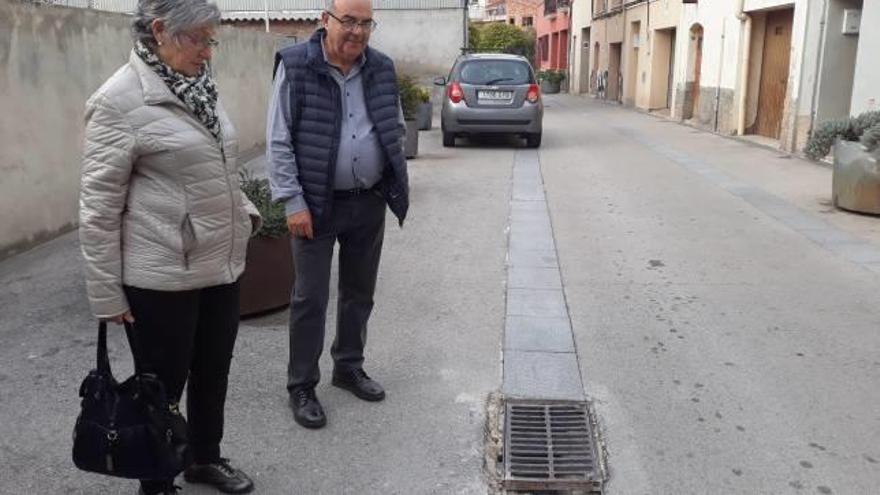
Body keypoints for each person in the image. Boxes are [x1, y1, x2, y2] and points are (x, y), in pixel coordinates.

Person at [78, 0, 259, 493]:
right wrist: (106, 295)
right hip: (160, 276)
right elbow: (97, 208)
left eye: (210, 39)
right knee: (161, 389)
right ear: (160, 31)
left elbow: (218, 167)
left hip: (220, 265)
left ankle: (205, 458)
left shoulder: (199, 87)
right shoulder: (117, 101)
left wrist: (244, 213)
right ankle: (157, 481)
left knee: (212, 374)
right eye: (198, 38)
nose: (208, 50)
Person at [266, 0, 409, 429]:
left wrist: (388, 173)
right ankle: (302, 385)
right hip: (315, 203)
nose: (358, 32)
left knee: (359, 291)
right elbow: (279, 139)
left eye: (366, 23)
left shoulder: (381, 67)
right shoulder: (295, 66)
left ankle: (348, 366)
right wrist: (292, 201)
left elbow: (394, 124)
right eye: (348, 21)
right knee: (310, 298)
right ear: (325, 20)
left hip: (368, 200)